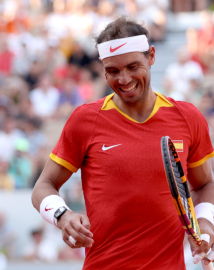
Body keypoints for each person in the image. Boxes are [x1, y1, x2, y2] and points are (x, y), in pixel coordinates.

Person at [31, 17, 214, 269]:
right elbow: (44, 185)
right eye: (112, 71)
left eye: (132, 66)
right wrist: (62, 216)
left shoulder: (188, 117)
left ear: (151, 56)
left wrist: (205, 222)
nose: (124, 79)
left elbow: (204, 183)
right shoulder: (85, 119)